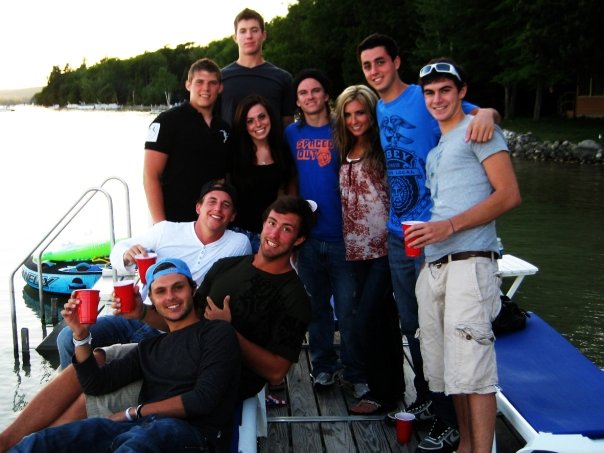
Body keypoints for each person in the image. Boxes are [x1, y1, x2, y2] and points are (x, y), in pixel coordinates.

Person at [0, 197, 312, 452]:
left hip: (209, 375)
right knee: (92, 361)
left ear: (298, 239)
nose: (274, 234)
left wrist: (230, 332)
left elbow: (275, 372)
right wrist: (141, 314)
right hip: (173, 350)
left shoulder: (294, 297)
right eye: (272, 223)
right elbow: (184, 318)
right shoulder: (228, 266)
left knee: (93, 400)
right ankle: (12, 442)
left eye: (286, 229)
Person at [358, 33, 500, 452]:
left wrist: (489, 111)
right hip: (401, 233)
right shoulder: (380, 106)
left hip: (439, 236)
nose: (374, 71)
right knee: (416, 326)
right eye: (367, 65)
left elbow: (477, 114)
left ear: (396, 61)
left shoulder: (422, 96)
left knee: (450, 338)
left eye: (380, 62)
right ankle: (428, 399)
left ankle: (448, 421)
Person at [10, 258, 241, 453]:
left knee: (142, 441)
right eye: (160, 291)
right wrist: (81, 335)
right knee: (42, 442)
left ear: (193, 289)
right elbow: (95, 384)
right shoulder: (149, 348)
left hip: (192, 434)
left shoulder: (216, 332)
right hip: (140, 429)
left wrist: (133, 412)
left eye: (178, 287)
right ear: (151, 299)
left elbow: (203, 399)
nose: (170, 297)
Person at [408, 59, 521, 453]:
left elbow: (509, 195)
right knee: (450, 373)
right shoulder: (437, 150)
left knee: (474, 371)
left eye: (445, 90)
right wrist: (430, 245)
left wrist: (449, 227)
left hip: (470, 263)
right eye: (430, 92)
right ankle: (465, 447)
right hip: (436, 266)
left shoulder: (480, 131)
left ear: (462, 92)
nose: (437, 98)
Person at [55, 180, 251, 369]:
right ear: (198, 207)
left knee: (123, 362)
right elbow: (119, 249)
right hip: (137, 313)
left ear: (233, 215)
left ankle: (87, 386)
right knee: (66, 338)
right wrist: (127, 255)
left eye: (226, 205)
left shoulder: (238, 244)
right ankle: (71, 389)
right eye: (212, 202)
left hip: (175, 327)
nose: (218, 209)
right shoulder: (166, 230)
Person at [284, 69, 366, 398]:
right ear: (297, 100)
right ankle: (323, 367)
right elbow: (287, 178)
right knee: (316, 308)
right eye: (303, 93)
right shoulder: (291, 134)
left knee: (348, 309)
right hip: (308, 239)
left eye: (315, 90)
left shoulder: (343, 127)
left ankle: (356, 371)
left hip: (344, 237)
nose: (310, 97)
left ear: (326, 95)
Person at [333, 84, 405, 415]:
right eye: (348, 114)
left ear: (372, 113)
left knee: (366, 319)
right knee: (384, 319)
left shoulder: (385, 149)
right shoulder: (344, 148)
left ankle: (379, 392)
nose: (354, 120)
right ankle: (394, 389)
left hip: (385, 248)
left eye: (360, 112)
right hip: (356, 250)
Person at [144, 58, 231, 223]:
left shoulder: (224, 128)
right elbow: (150, 175)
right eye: (200, 82)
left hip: (211, 224)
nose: (206, 88)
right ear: (188, 85)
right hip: (173, 221)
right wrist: (161, 225)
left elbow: (223, 176)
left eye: (212, 83)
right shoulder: (167, 121)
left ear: (220, 87)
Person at [229, 95, 296, 252]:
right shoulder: (234, 153)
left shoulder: (282, 151)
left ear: (270, 117)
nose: (258, 124)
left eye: (261, 117)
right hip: (238, 235)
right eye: (250, 121)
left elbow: (287, 192)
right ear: (243, 125)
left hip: (271, 235)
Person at [219, 8, 295, 128]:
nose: (249, 36)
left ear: (263, 35)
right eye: (243, 31)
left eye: (254, 30)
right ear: (235, 37)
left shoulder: (283, 78)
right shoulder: (220, 78)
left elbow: (288, 126)